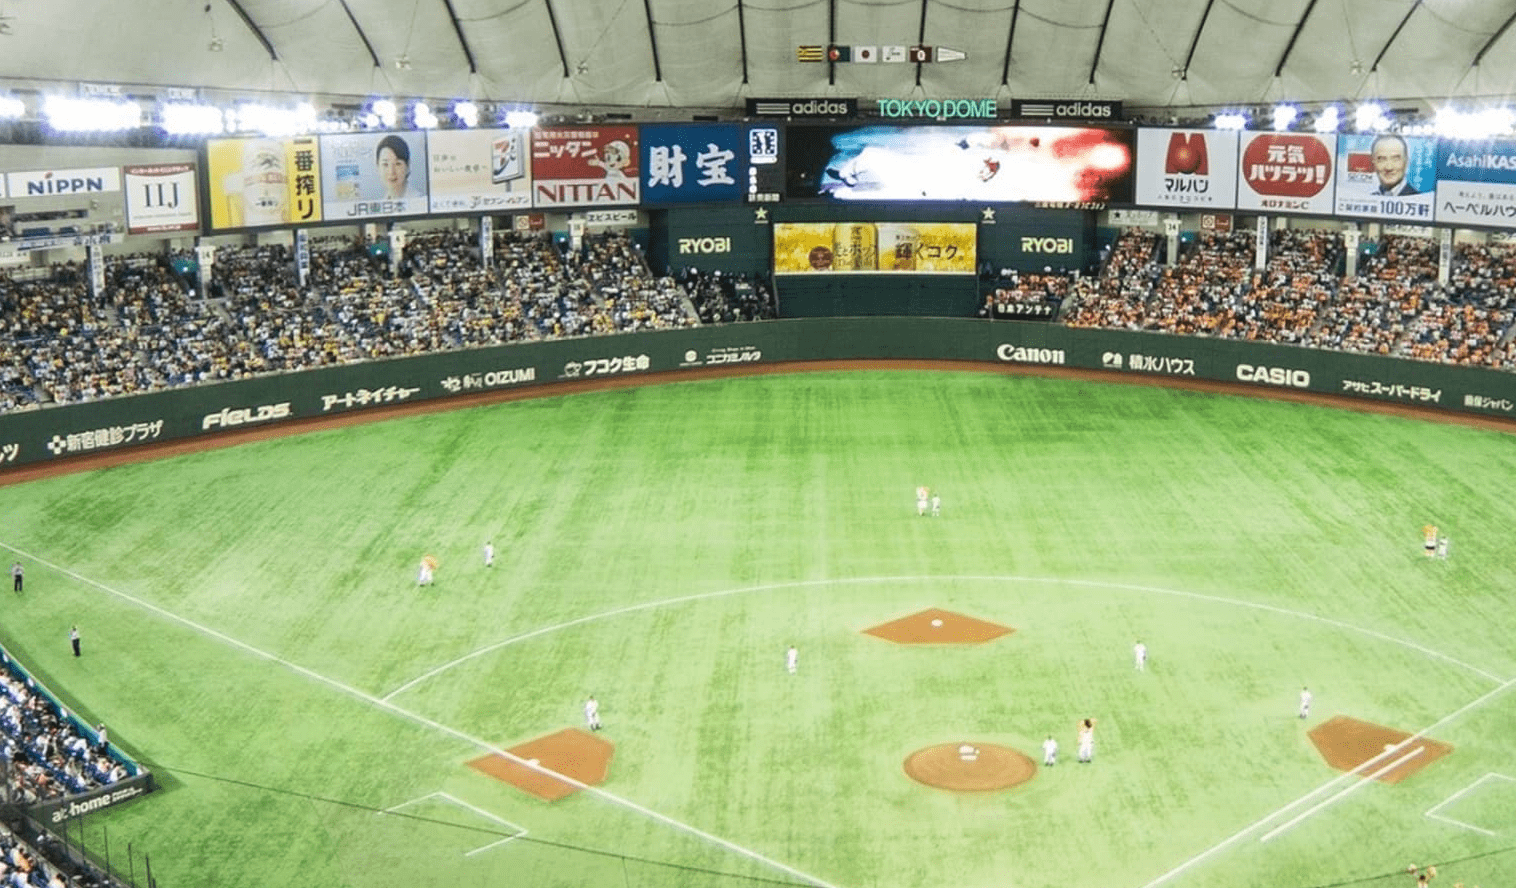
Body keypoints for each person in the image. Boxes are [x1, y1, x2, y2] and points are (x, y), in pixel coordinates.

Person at [375, 135, 416, 200]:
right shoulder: (382, 202)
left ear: (407, 166)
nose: (391, 172)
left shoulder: (419, 201)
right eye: (385, 164)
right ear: (378, 166)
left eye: (398, 164)